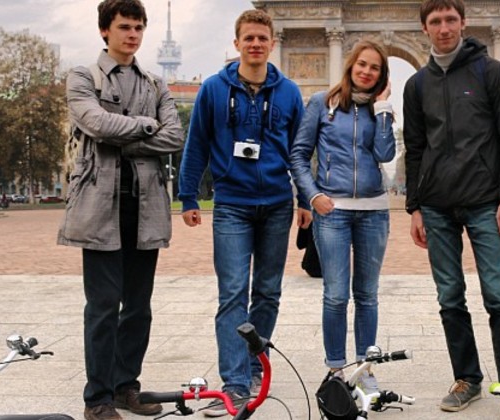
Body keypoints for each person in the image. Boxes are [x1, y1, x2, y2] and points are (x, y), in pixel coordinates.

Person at [177, 9, 312, 417]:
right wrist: (187, 196)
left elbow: (300, 152)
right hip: (232, 204)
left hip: (276, 204)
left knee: (268, 292)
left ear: (273, 43)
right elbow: (196, 142)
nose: (255, 44)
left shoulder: (289, 92)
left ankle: (255, 365)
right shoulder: (214, 90)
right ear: (237, 43)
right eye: (248, 38)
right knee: (233, 293)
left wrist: (305, 199)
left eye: (262, 38)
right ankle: (235, 384)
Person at [57, 0, 185, 419]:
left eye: (138, 27)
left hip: (144, 205)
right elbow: (95, 123)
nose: (133, 34)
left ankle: (126, 386)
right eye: (125, 27)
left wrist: (127, 134)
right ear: (104, 31)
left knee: (139, 306)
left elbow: (174, 137)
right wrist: (148, 126)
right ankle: (97, 398)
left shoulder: (155, 83)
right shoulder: (81, 75)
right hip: (99, 205)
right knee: (103, 305)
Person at [402, 0, 500, 415]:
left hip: (485, 202)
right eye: (435, 21)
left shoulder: (491, 72)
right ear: (424, 28)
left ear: (463, 22)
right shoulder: (416, 85)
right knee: (450, 297)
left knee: (499, 296)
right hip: (436, 205)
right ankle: (467, 378)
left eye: (450, 19)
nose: (443, 28)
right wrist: (414, 207)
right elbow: (415, 149)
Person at [290, 40, 395, 394]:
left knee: (367, 294)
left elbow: (385, 152)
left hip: (374, 212)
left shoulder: (382, 110)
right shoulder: (322, 102)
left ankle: (366, 368)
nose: (367, 71)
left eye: (375, 67)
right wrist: (313, 195)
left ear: (382, 75)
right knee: (335, 294)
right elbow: (299, 154)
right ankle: (336, 368)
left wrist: (384, 110)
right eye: (362, 64)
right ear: (350, 66)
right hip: (332, 211)